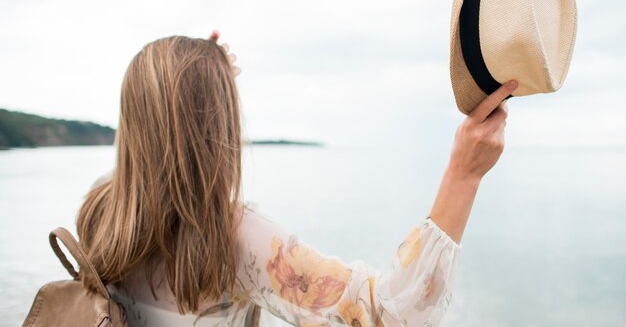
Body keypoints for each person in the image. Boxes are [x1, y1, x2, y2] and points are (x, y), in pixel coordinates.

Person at [77, 32, 516, 326]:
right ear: (218, 126)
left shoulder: (100, 210)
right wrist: (463, 176)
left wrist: (193, 81)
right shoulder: (232, 239)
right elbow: (385, 317)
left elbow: (158, 152)